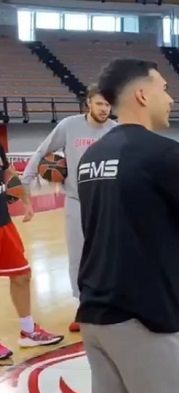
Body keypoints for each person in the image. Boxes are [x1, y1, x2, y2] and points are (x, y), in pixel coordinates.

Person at [75, 58, 179, 393]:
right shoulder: (164, 153)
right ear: (142, 95)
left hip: (94, 314)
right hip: (147, 317)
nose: (170, 99)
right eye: (164, 89)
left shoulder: (91, 157)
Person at [21, 85, 116, 333]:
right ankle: (84, 306)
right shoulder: (69, 126)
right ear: (88, 103)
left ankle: (110, 303)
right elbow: (42, 151)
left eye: (108, 105)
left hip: (108, 202)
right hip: (76, 200)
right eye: (99, 104)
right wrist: (25, 181)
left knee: (109, 254)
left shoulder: (116, 130)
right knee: (78, 257)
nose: (104, 109)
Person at [0, 144, 63, 361]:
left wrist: (26, 201)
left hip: (3, 222)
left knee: (22, 275)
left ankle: (28, 331)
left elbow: (8, 172)